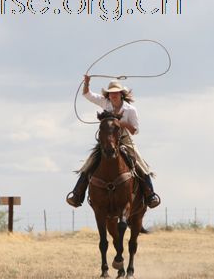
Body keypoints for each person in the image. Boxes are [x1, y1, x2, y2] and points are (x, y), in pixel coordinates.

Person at [66, 75, 160, 209]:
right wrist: (87, 82)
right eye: (111, 93)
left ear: (121, 94)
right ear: (108, 95)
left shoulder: (130, 110)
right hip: (107, 140)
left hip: (125, 139)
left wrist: (121, 123)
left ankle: (150, 195)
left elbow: (135, 130)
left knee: (141, 164)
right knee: (88, 164)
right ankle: (77, 195)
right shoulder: (105, 102)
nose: (113, 95)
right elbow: (87, 94)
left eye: (116, 93)